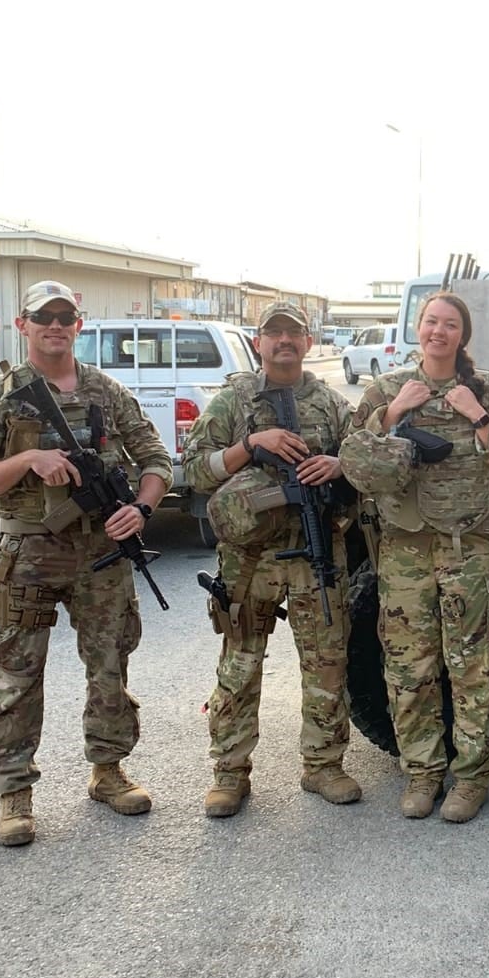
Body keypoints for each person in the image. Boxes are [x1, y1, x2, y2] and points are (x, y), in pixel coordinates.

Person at [0, 280, 172, 847]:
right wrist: (27, 457)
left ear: (79, 324)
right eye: (42, 316)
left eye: (65, 316)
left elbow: (156, 460)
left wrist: (141, 511)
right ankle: (15, 794)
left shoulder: (107, 393)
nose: (55, 324)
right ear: (22, 325)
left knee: (110, 667)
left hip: (102, 554)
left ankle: (108, 771)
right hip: (28, 554)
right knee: (18, 674)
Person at [339, 292, 489, 824]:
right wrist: (394, 412)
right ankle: (421, 774)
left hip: (469, 550)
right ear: (417, 330)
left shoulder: (484, 390)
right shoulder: (387, 389)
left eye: (450, 325)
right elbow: (351, 461)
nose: (438, 332)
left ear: (462, 336)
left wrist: (478, 417)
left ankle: (470, 778)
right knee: (407, 668)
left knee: (472, 667)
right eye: (430, 323)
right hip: (403, 551)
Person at [183, 301, 359, 818]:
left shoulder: (331, 404)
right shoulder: (233, 400)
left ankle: (323, 764)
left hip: (316, 552)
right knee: (239, 665)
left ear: (307, 342)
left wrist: (338, 464)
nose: (284, 341)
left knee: (327, 663)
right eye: (274, 333)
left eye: (294, 333)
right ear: (259, 341)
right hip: (249, 557)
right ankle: (229, 773)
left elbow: (364, 462)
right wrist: (250, 445)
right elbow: (195, 471)